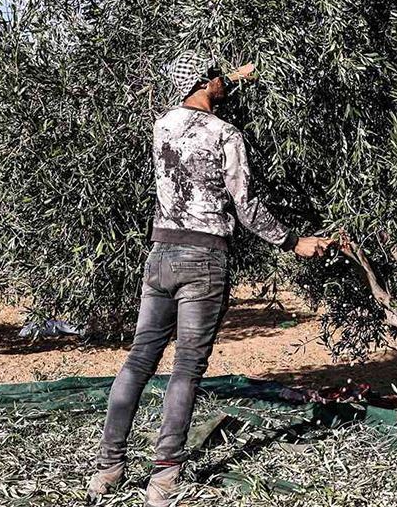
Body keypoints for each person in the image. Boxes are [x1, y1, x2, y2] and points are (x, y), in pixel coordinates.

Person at [88, 51, 333, 504]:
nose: (225, 81)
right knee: (186, 370)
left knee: (139, 361)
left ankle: (107, 469)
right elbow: (247, 207)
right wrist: (294, 241)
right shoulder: (226, 134)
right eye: (218, 76)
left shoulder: (161, 125)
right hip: (204, 259)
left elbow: (198, 95)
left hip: (159, 254)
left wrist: (233, 77)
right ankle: (163, 480)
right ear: (204, 82)